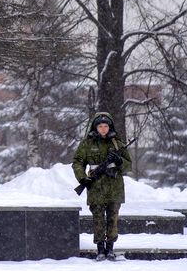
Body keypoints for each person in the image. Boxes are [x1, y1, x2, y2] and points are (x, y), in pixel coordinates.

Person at [72, 111, 132, 261]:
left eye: (106, 126)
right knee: (98, 218)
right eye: (100, 126)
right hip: (96, 186)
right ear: (95, 127)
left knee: (113, 218)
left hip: (114, 186)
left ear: (110, 127)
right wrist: (82, 178)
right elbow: (77, 162)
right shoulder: (87, 144)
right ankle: (100, 249)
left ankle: (110, 249)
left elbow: (128, 165)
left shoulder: (117, 143)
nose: (103, 129)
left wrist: (119, 162)